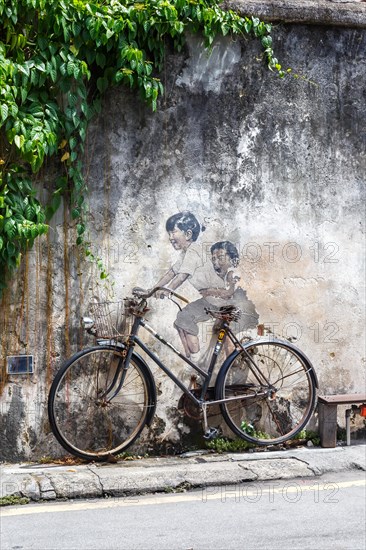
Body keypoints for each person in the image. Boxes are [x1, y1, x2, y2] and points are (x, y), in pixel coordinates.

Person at [174, 241, 259, 359]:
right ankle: (199, 359)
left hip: (238, 311)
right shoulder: (219, 275)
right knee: (215, 328)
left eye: (220, 257)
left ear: (233, 260)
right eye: (213, 258)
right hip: (223, 308)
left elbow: (229, 292)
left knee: (225, 333)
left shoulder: (232, 273)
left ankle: (234, 361)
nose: (215, 262)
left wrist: (210, 291)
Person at [151, 211, 204, 298]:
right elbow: (171, 274)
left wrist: (168, 290)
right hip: (208, 296)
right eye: (169, 234)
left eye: (173, 232)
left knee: (185, 311)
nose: (170, 237)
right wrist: (154, 289)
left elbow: (181, 277)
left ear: (188, 234)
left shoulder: (194, 251)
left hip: (216, 297)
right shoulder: (185, 253)